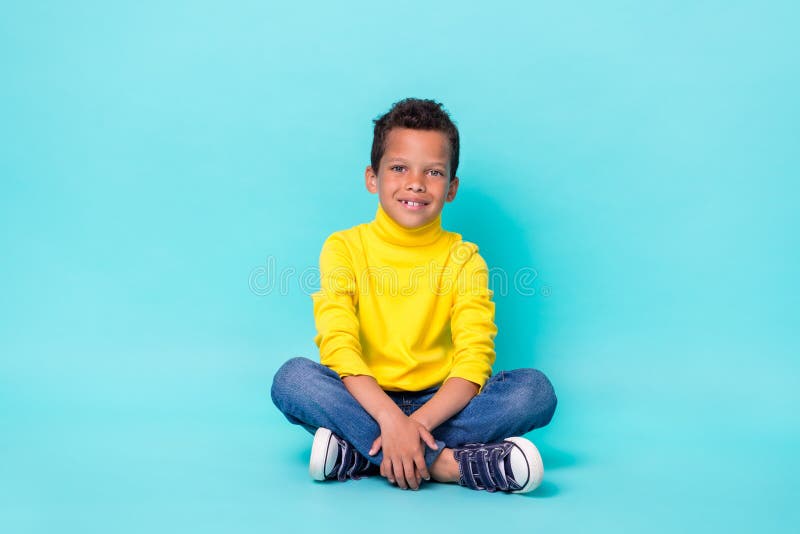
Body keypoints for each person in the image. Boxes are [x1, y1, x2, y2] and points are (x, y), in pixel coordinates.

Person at [271, 98, 557, 493]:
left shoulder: (464, 259)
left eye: (434, 172)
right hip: (365, 398)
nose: (416, 183)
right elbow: (339, 347)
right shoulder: (344, 248)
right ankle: (450, 465)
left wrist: (414, 426)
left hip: (441, 406)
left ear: (452, 188)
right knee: (293, 380)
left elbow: (474, 361)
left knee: (534, 392)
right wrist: (389, 419)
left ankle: (360, 454)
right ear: (373, 177)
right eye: (399, 167)